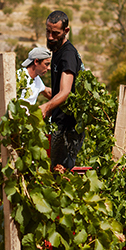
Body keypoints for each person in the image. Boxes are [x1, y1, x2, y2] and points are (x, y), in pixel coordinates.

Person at [39, 10, 84, 172]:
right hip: (60, 125)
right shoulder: (57, 52)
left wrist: (46, 107)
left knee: (59, 175)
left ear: (66, 31)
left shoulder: (68, 54)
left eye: (55, 33)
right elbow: (60, 91)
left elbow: (65, 92)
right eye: (48, 31)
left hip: (68, 129)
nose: (50, 37)